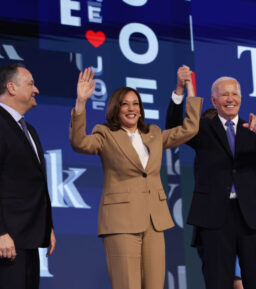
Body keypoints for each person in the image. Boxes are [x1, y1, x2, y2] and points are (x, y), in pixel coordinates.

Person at [69, 67, 202, 289]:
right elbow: (80, 143)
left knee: (154, 285)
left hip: (154, 220)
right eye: (125, 104)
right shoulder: (105, 134)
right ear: (115, 108)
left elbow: (190, 129)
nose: (131, 108)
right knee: (127, 285)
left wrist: (187, 89)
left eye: (135, 103)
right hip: (121, 222)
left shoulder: (154, 133)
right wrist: (81, 103)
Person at [166, 70, 256, 289]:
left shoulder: (252, 128)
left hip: (251, 216)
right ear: (214, 100)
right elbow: (173, 127)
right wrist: (180, 90)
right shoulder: (201, 128)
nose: (230, 99)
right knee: (218, 281)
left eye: (234, 94)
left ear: (240, 98)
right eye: (224, 95)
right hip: (214, 216)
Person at [0, 63, 55, 289]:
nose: (36, 90)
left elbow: (36, 184)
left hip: (28, 235)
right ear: (11, 88)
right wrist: (0, 233)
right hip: (7, 237)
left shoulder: (30, 131)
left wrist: (47, 227)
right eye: (30, 84)